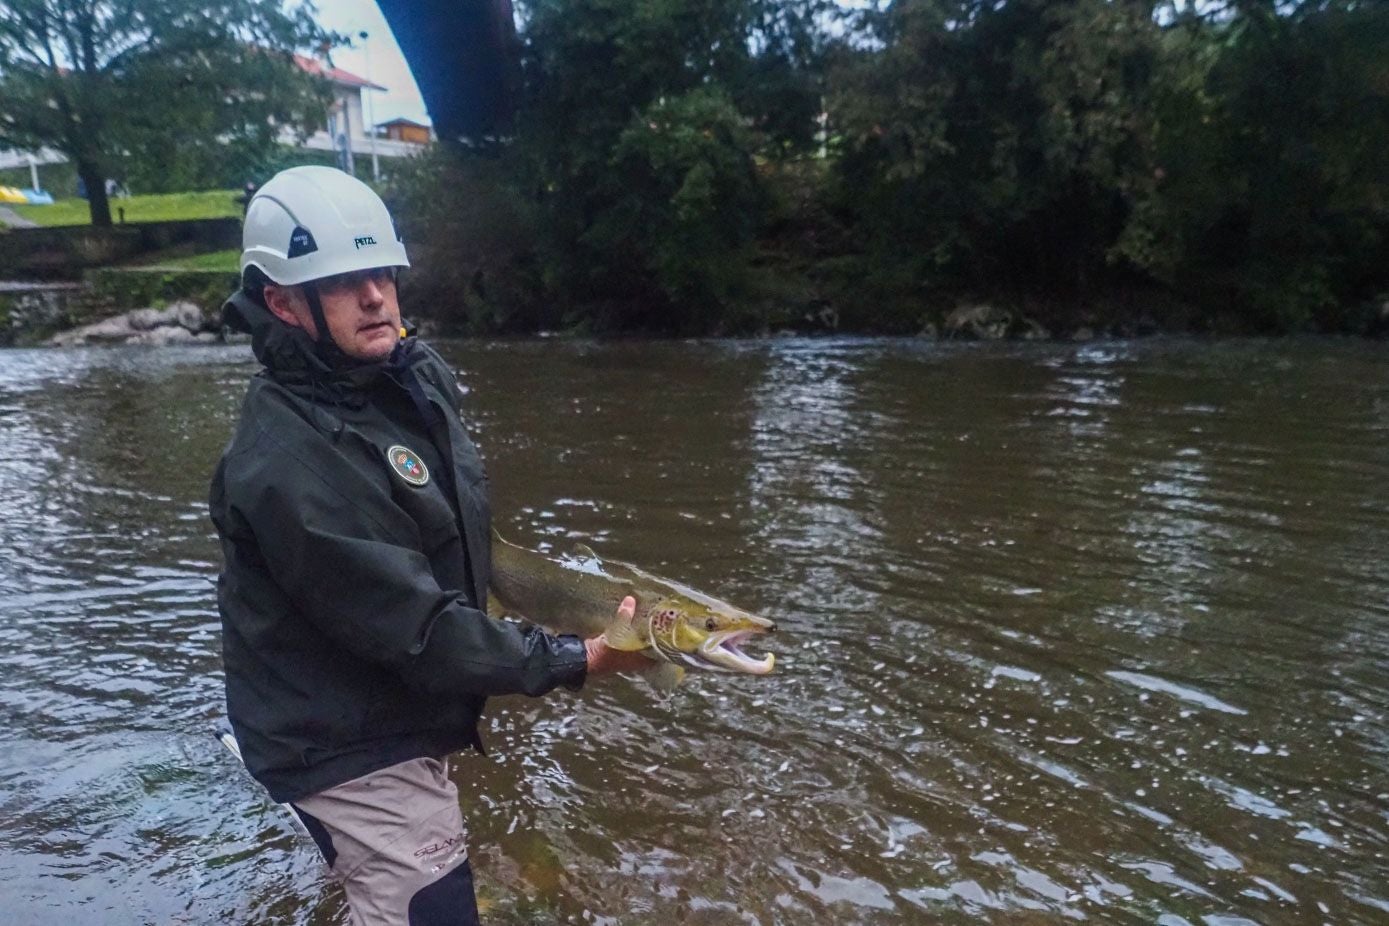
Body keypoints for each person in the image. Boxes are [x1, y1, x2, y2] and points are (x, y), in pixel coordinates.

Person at [208, 165, 646, 925]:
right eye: (343, 282)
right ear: (282, 302)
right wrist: (576, 658)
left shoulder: (408, 375)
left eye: (381, 272)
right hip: (341, 741)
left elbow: (460, 535)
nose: (375, 295)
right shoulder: (285, 464)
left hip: (395, 701)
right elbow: (415, 628)